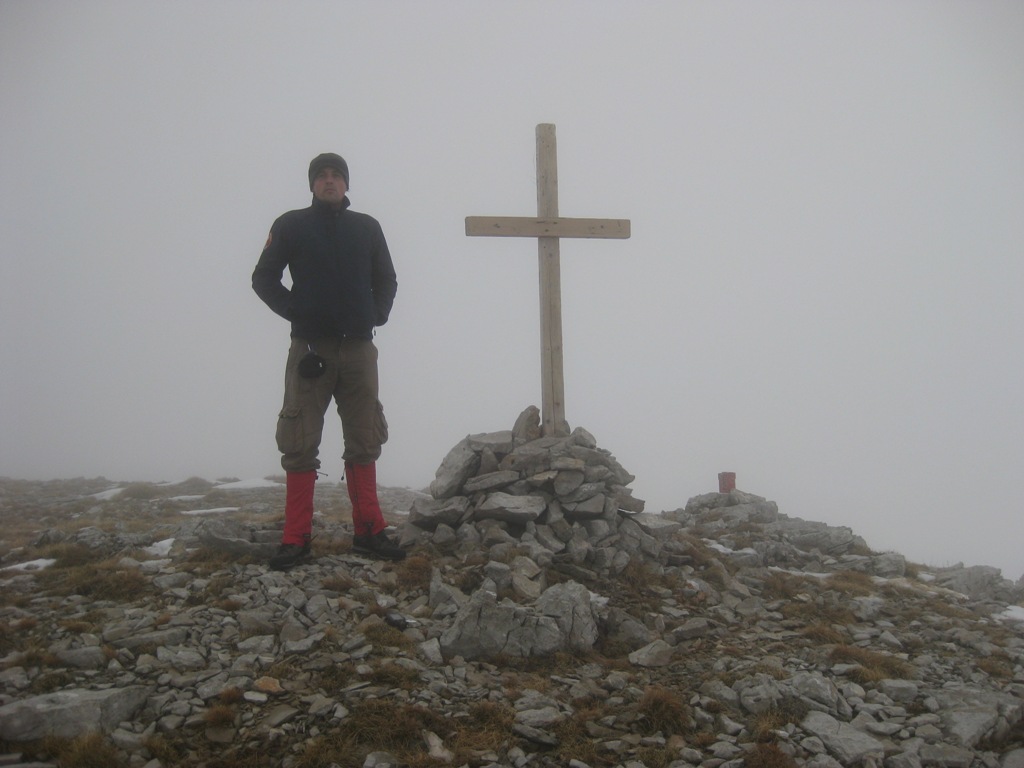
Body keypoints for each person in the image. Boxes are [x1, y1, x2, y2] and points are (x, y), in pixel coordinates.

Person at [252, 152, 405, 569]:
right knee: (299, 439)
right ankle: (295, 538)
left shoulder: (367, 228)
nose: (330, 181)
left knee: (364, 437)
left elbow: (386, 278)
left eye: (337, 175)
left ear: (347, 183)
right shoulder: (290, 225)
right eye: (321, 176)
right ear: (312, 185)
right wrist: (297, 312)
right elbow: (263, 278)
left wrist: (376, 315)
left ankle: (369, 531)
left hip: (358, 348)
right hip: (311, 349)